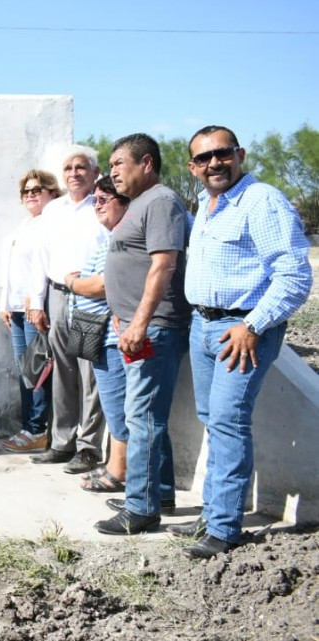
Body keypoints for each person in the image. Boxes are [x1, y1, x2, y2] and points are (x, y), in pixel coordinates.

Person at [176, 125, 312, 559]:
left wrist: (253, 325)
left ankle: (225, 528)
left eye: (222, 153)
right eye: (203, 158)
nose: (214, 163)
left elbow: (294, 276)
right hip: (204, 326)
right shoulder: (207, 204)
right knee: (213, 419)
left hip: (242, 331)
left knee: (229, 422)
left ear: (240, 154)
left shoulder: (262, 201)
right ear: (192, 168)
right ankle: (215, 512)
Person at [94, 133, 191, 536]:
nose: (112, 171)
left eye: (119, 164)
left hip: (153, 328)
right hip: (136, 324)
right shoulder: (138, 206)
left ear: (146, 163)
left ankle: (141, 508)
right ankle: (159, 493)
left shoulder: (162, 202)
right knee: (147, 414)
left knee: (142, 416)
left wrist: (138, 322)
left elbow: (163, 266)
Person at [27, 146, 108, 474]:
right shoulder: (54, 210)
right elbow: (41, 257)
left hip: (92, 295)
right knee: (62, 371)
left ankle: (88, 447)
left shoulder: (103, 205)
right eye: (69, 168)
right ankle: (62, 442)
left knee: (90, 373)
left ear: (95, 171)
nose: (74, 173)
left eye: (81, 167)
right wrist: (37, 301)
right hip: (58, 296)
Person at [62, 177, 130, 493]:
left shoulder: (125, 240)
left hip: (113, 335)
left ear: (125, 200)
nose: (98, 205)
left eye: (105, 198)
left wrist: (74, 283)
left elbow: (103, 285)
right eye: (96, 200)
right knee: (116, 408)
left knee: (119, 407)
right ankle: (117, 468)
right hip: (101, 336)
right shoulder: (110, 239)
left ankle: (121, 471)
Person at [0, 170, 60, 452]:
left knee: (37, 373)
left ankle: (37, 430)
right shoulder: (24, 226)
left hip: (36, 309)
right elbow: (12, 269)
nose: (31, 195)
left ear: (52, 193)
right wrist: (5, 303)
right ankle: (28, 428)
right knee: (24, 372)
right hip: (17, 309)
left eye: (38, 190)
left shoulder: (51, 224)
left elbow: (46, 269)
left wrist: (36, 302)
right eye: (26, 191)